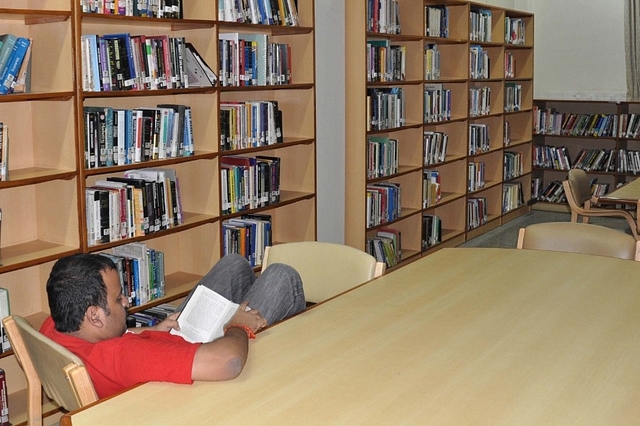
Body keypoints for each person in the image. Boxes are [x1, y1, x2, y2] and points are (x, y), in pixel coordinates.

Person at [40, 253, 306, 399]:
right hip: (207, 358)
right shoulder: (125, 355)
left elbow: (110, 348)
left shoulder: (53, 325)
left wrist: (146, 332)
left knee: (233, 265)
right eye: (118, 297)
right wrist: (239, 326)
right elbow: (230, 362)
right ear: (95, 316)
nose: (126, 300)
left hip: (169, 346)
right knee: (281, 276)